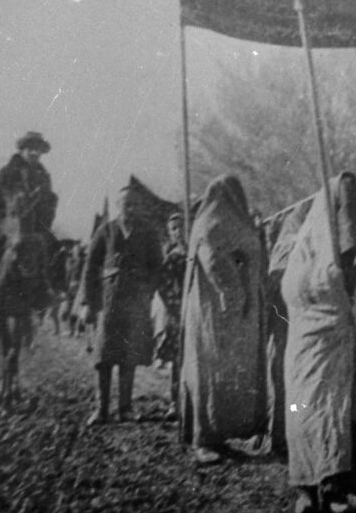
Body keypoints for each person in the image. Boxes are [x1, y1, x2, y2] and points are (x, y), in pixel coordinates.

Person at [281, 174, 356, 513]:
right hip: (316, 346)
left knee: (355, 416)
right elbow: (294, 291)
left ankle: (348, 488)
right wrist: (331, 289)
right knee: (309, 413)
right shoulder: (308, 245)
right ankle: (308, 488)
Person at [180, 176, 266, 465]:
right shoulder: (212, 225)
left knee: (222, 375)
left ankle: (218, 435)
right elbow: (216, 264)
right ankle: (203, 438)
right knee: (209, 372)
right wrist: (236, 299)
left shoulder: (222, 222)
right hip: (216, 314)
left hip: (227, 315)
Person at [82, 185, 163, 426]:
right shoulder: (105, 231)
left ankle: (126, 408)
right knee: (104, 355)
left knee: (129, 355)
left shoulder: (148, 232)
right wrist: (88, 301)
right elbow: (90, 267)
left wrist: (148, 290)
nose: (130, 208)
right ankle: (102, 409)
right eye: (125, 204)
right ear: (118, 206)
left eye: (134, 204)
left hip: (135, 301)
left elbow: (157, 265)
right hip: (109, 300)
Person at [0, 131, 59, 305]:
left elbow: (50, 202)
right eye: (31, 149)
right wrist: (4, 220)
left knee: (56, 251)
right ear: (22, 150)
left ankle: (49, 294)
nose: (35, 153)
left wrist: (45, 219)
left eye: (38, 150)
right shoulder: (7, 172)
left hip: (36, 227)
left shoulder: (44, 176)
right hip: (6, 225)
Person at [153, 212, 187, 421]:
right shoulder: (171, 255)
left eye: (181, 227)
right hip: (176, 311)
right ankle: (175, 402)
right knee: (176, 359)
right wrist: (174, 304)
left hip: (193, 309)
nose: (178, 232)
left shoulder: (194, 251)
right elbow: (162, 284)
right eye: (174, 229)